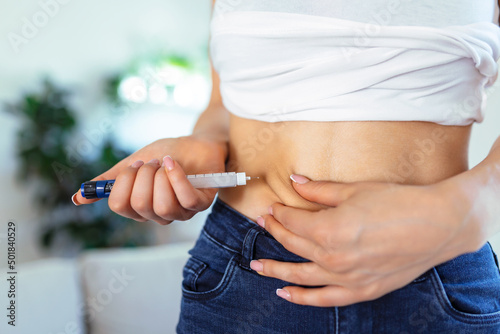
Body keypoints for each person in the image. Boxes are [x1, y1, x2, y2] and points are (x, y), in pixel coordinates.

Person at [73, 0, 500, 332]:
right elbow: (225, 104)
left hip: (434, 265)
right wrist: (205, 141)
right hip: (244, 274)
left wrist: (469, 210)